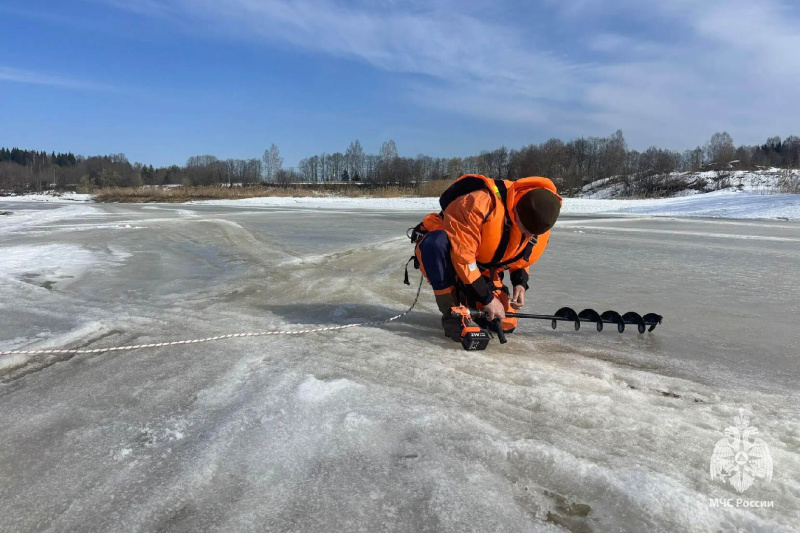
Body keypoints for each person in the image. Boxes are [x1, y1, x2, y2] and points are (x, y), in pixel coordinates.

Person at [410, 174, 561, 339]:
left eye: (533, 233)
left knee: (504, 323)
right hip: (450, 255)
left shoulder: (542, 217)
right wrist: (487, 299)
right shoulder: (477, 204)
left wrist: (520, 283)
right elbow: (463, 258)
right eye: (525, 229)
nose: (529, 235)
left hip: (482, 267)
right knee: (435, 244)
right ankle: (451, 309)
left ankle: (469, 298)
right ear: (515, 211)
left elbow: (520, 255)